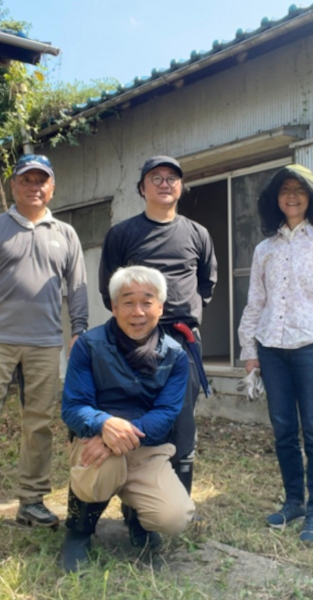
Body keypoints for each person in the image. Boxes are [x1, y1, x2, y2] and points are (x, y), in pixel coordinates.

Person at [0, 154, 89, 536]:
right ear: (13, 186)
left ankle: (31, 500)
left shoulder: (66, 234)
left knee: (40, 424)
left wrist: (79, 330)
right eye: (27, 180)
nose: (34, 187)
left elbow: (76, 287)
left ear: (52, 187)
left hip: (44, 343)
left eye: (42, 180)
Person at [98, 156, 216, 541]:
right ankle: (136, 515)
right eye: (156, 178)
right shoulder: (123, 233)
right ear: (142, 188)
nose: (165, 184)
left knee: (181, 422)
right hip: (135, 338)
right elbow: (108, 289)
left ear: (180, 187)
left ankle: (175, 511)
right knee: (135, 417)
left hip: (181, 340)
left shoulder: (197, 233)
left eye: (172, 179)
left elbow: (206, 284)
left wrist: (181, 317)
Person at [238, 164, 313, 544]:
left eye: (299, 190)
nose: (292, 195)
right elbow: (255, 302)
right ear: (276, 199)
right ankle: (294, 502)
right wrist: (249, 351)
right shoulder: (264, 250)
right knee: (284, 431)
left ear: (311, 198)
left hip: (310, 348)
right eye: (285, 189)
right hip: (271, 348)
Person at [59, 266, 195, 572]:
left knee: (174, 517)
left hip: (146, 448)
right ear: (114, 306)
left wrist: (118, 437)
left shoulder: (175, 355)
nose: (138, 311)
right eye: (128, 302)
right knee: (102, 467)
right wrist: (104, 426)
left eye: (147, 302)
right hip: (94, 440)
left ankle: (137, 515)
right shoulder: (89, 346)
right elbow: (73, 406)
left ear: (160, 307)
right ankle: (78, 531)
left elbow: (166, 413)